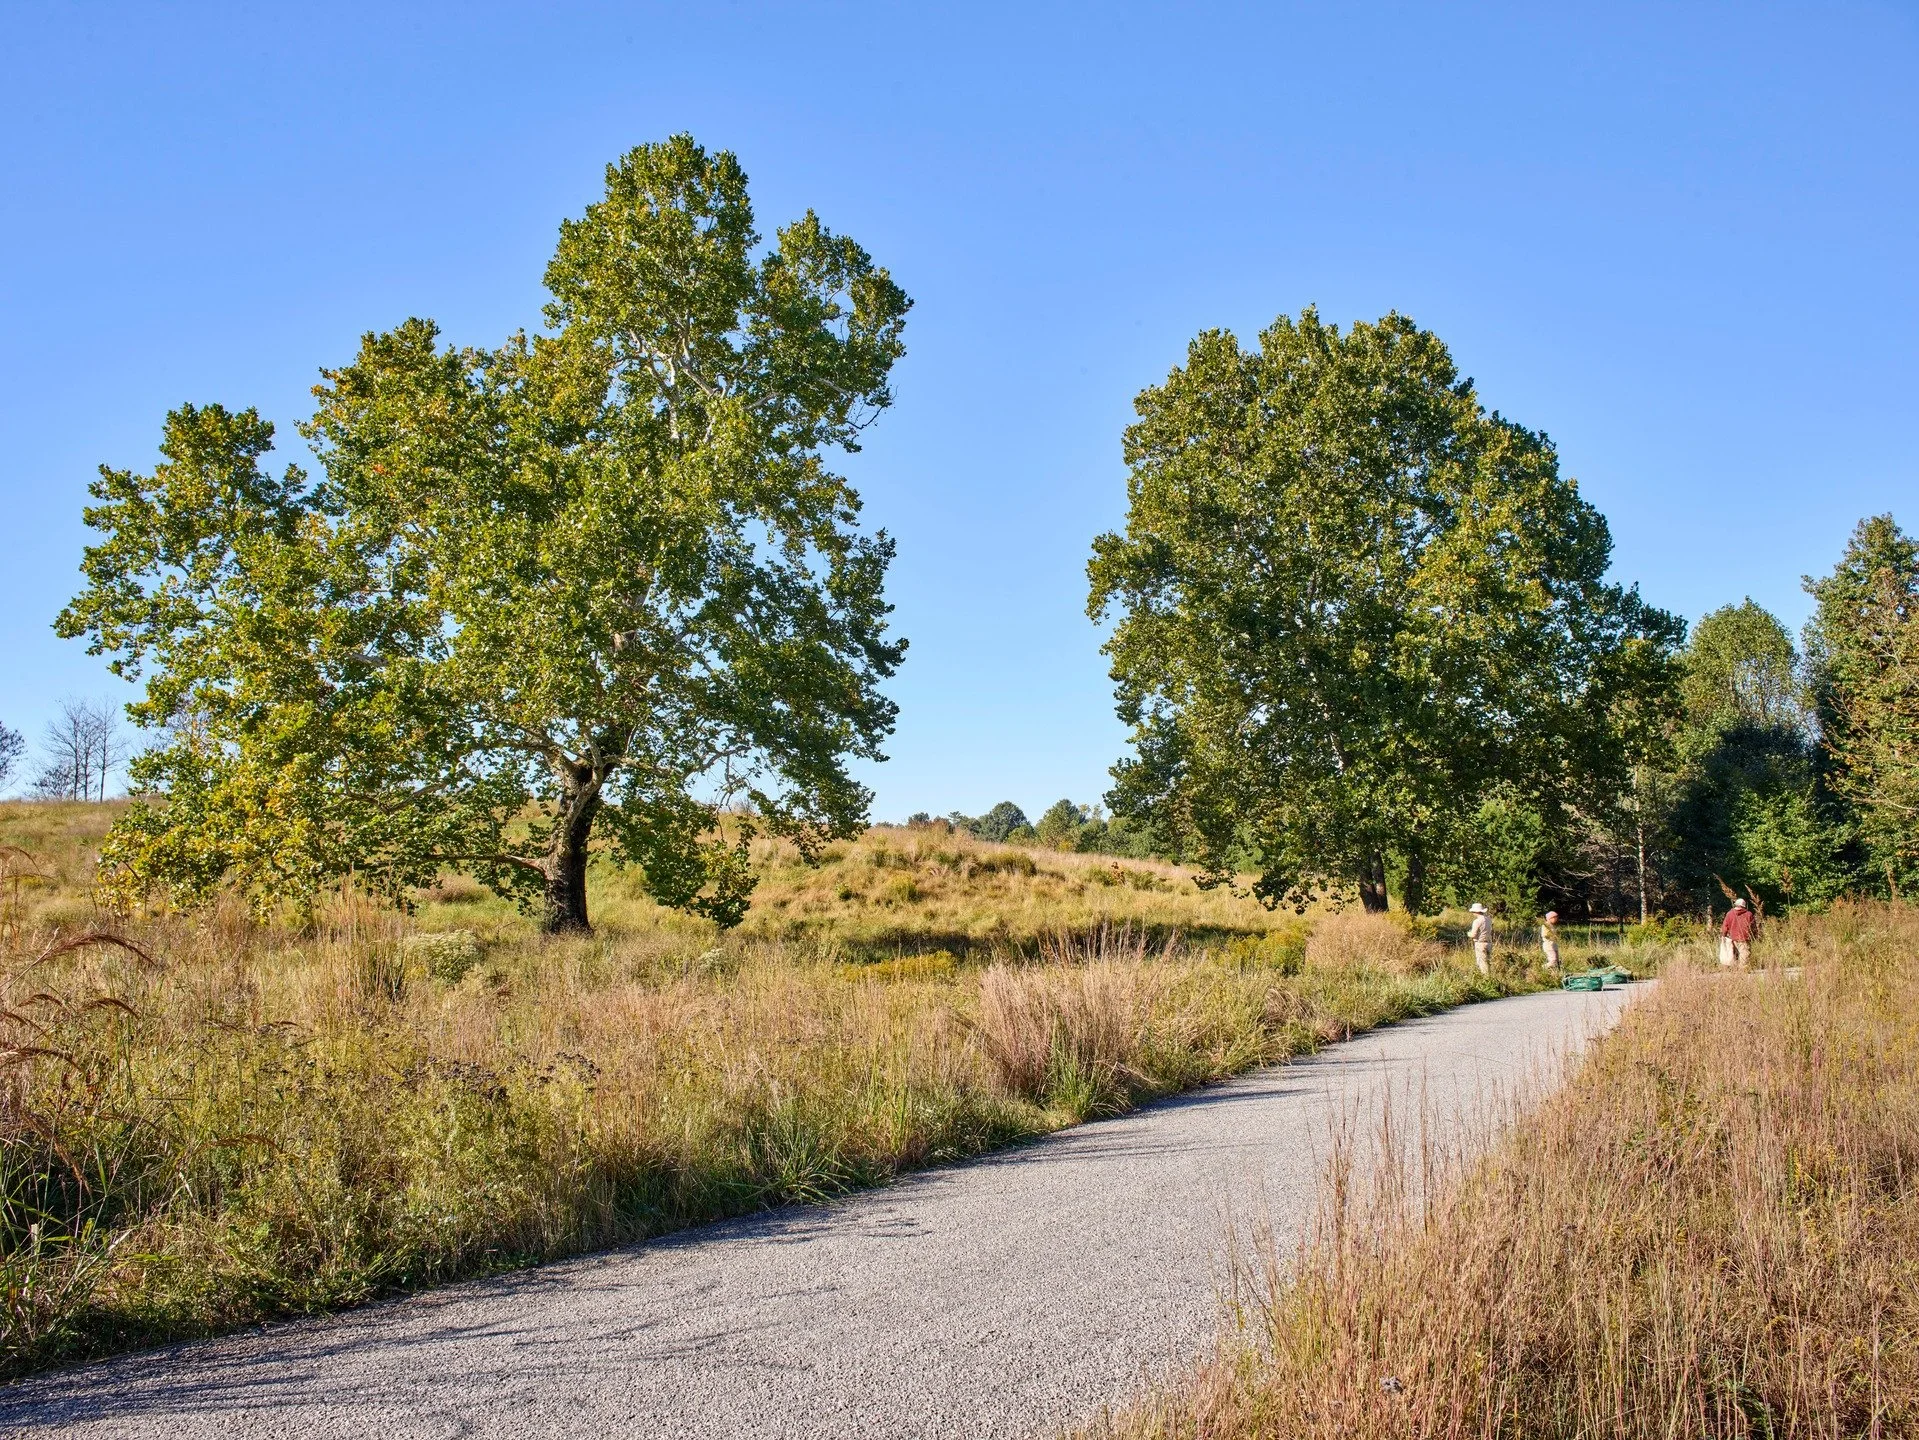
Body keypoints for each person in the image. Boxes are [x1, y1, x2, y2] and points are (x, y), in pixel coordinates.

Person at [1720, 897, 1755, 968]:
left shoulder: (1729, 914)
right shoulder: (1749, 914)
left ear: (1735, 905)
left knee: (1733, 956)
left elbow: (1725, 926)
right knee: (1744, 957)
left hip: (1732, 938)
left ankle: (1734, 970)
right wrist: (1754, 936)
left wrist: (1723, 935)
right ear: (1744, 906)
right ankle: (1743, 970)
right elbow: (1753, 927)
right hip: (1745, 938)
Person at [1468, 902, 1493, 976]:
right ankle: (1489, 977)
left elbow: (1473, 934)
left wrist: (1468, 933)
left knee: (1482, 964)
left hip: (1480, 943)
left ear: (1475, 912)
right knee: (1488, 962)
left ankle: (1486, 979)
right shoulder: (1489, 919)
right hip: (1489, 943)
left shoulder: (1477, 921)